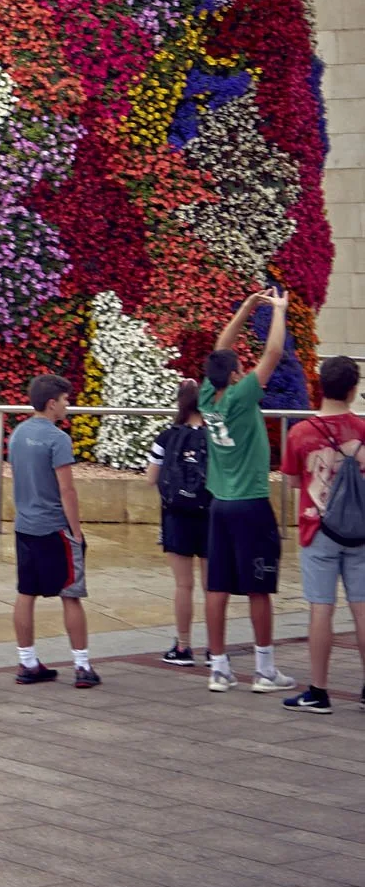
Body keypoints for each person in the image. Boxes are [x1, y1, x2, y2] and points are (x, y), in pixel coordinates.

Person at [201, 282, 291, 695]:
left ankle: (219, 668)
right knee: (259, 585)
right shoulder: (241, 396)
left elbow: (221, 348)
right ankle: (264, 669)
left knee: (217, 586)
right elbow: (272, 354)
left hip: (219, 503)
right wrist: (278, 310)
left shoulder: (207, 396)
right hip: (251, 503)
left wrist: (246, 307)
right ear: (236, 375)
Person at [279, 354, 365, 715]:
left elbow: (292, 480)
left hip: (318, 529)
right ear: (353, 390)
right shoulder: (362, 429)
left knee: (321, 608)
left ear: (319, 387)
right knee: (362, 608)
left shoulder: (301, 432)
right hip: (360, 530)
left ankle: (318, 691)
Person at [10, 373, 98, 688]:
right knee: (70, 594)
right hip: (55, 528)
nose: (67, 405)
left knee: (26, 593)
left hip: (25, 526)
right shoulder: (58, 439)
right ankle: (82, 666)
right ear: (51, 404)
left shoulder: (17, 434)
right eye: (64, 400)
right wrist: (76, 531)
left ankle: (27, 661)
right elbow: (67, 490)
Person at [145, 378, 211, 665]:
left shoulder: (166, 437)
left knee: (184, 585)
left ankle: (183, 647)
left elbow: (151, 478)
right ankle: (215, 649)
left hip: (176, 516)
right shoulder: (215, 437)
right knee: (212, 586)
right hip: (210, 515)